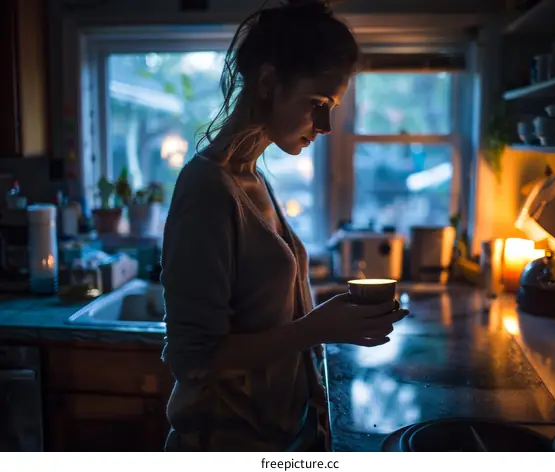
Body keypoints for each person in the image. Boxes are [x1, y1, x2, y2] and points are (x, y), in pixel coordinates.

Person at [160, 0, 408, 452]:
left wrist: (335, 319)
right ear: (269, 83)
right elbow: (196, 358)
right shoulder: (206, 189)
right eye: (318, 103)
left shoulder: (254, 176)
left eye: (331, 107)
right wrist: (317, 327)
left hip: (277, 437)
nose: (327, 125)